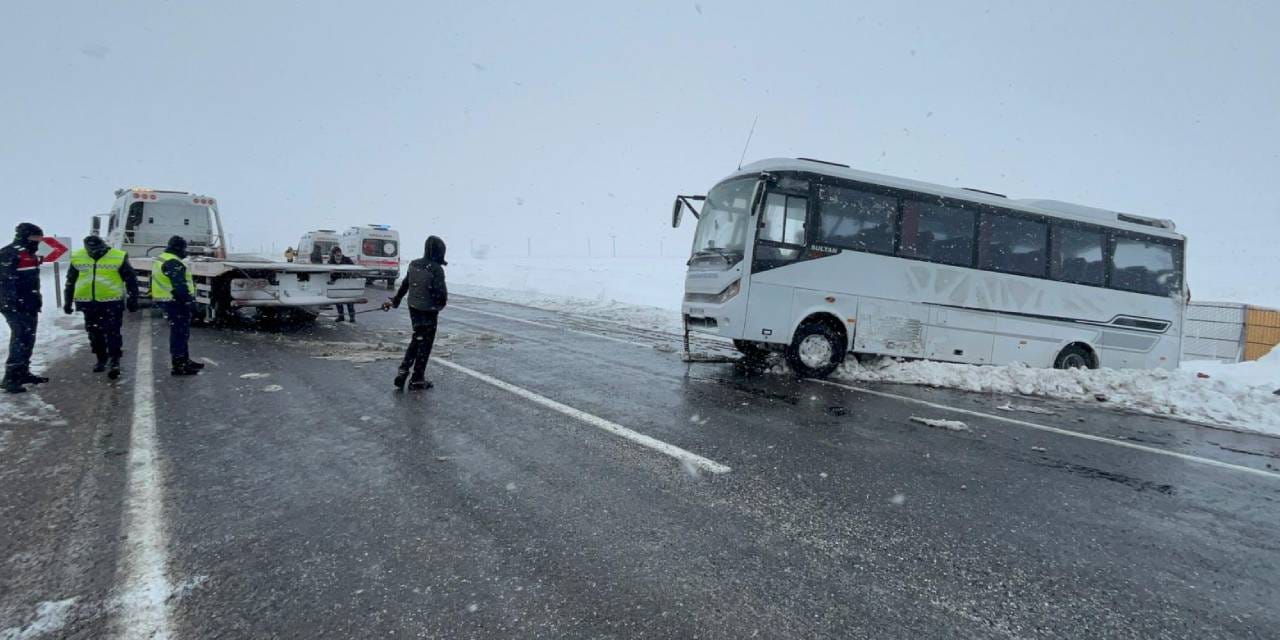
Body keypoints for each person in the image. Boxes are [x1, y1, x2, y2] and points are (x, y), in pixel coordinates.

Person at [63, 235, 140, 379]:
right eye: (91, 249)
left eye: (98, 249)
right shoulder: (78, 257)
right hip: (88, 302)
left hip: (112, 301)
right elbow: (70, 281)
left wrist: (133, 299)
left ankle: (114, 360)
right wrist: (67, 301)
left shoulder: (117, 256)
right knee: (94, 333)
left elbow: (130, 279)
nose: (94, 252)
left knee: (113, 332)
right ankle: (101, 358)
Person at [384, 236, 447, 390]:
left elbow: (406, 284)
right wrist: (438, 305)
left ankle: (403, 370)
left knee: (417, 338)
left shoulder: (414, 264)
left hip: (414, 307)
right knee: (425, 344)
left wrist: (396, 300)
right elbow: (441, 294)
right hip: (429, 310)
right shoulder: (436, 269)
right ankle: (417, 378)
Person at [0, 223, 51, 393]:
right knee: (20, 339)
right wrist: (10, 304)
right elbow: (5, 283)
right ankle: (11, 378)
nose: (38, 242)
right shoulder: (9, 253)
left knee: (28, 339)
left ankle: (22, 372)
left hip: (30, 304)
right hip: (15, 306)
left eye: (39, 239)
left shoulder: (30, 254)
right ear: (25, 237)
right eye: (35, 238)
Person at [150, 236, 205, 376]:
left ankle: (184, 360)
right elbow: (180, 286)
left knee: (180, 332)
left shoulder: (162, 258)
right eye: (184, 248)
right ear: (179, 248)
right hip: (176, 302)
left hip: (168, 300)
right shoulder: (173, 262)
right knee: (180, 333)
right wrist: (190, 302)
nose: (185, 251)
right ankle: (179, 365)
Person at [328, 246, 356, 322]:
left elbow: (353, 269)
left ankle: (352, 317)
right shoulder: (331, 261)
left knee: (349, 300)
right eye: (335, 254)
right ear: (333, 254)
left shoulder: (347, 259)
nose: (338, 255)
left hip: (347, 282)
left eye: (339, 253)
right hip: (337, 283)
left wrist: (347, 272)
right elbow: (329, 272)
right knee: (338, 301)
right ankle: (341, 316)